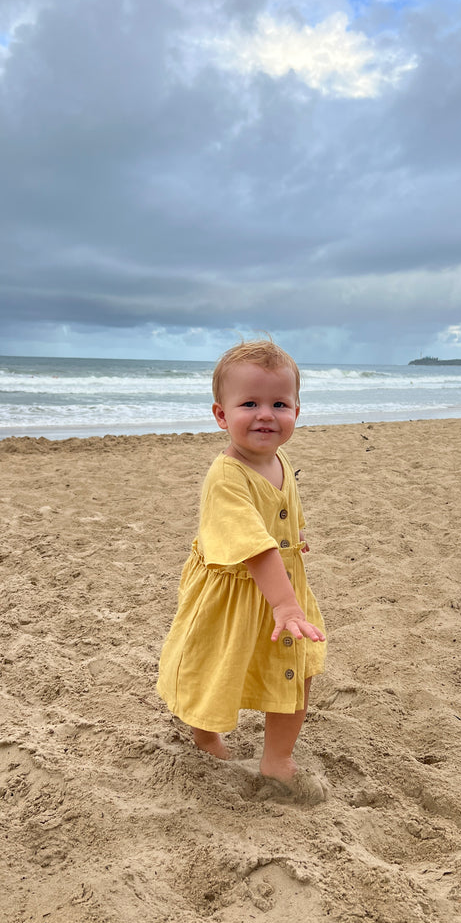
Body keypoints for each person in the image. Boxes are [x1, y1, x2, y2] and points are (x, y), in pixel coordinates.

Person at [156, 339, 327, 801]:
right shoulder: (227, 476)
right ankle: (206, 735)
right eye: (249, 403)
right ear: (220, 415)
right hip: (236, 592)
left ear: (297, 410)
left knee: (294, 669)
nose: (266, 414)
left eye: (279, 403)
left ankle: (277, 758)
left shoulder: (279, 459)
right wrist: (285, 602)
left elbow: (279, 516)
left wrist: (295, 545)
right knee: (216, 668)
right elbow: (252, 548)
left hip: (280, 587)